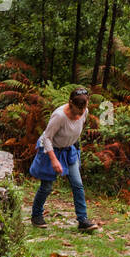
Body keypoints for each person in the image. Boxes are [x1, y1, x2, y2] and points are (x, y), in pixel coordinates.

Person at [29, 87, 98, 232]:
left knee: (77, 183)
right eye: (76, 110)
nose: (79, 114)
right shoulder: (59, 116)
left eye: (82, 110)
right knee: (47, 187)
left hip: (69, 150)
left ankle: (83, 220)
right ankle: (36, 216)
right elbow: (47, 138)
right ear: (70, 103)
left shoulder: (84, 111)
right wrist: (54, 160)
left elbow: (76, 130)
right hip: (50, 149)